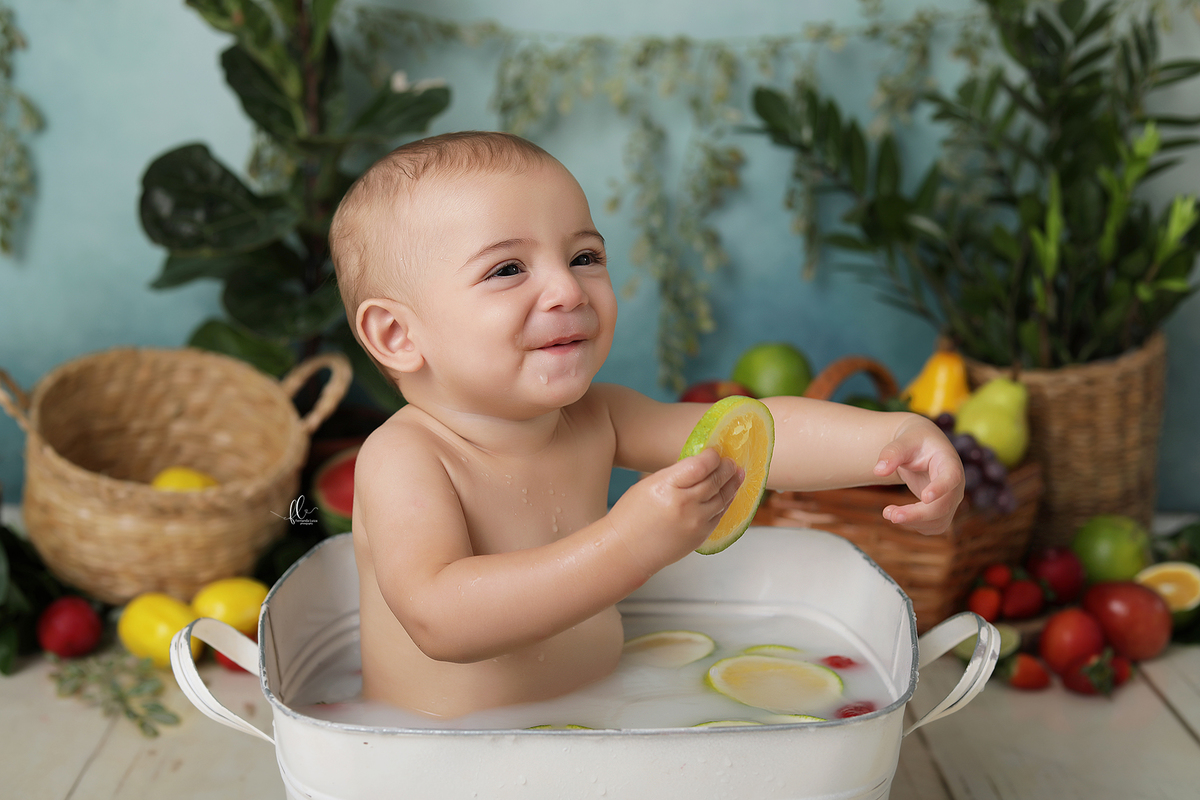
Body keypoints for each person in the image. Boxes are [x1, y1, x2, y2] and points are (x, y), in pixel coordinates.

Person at [328, 131, 965, 717]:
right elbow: (442, 619)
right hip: (436, 752)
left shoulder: (597, 414)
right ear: (398, 334)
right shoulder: (406, 456)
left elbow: (749, 433)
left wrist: (890, 440)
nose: (569, 291)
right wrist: (629, 545)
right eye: (507, 269)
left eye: (583, 256)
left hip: (606, 715)